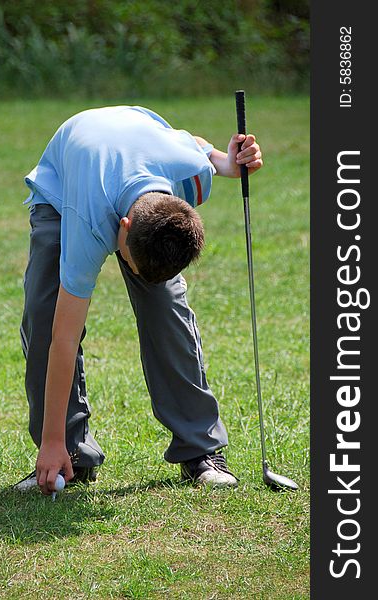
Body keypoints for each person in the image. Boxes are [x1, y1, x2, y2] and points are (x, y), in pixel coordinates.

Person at [14, 105, 263, 495]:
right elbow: (64, 337)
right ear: (122, 229)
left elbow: (196, 146)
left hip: (138, 137)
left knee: (167, 306)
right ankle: (67, 454)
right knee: (45, 316)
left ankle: (201, 450)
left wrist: (228, 162)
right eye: (127, 259)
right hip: (65, 184)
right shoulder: (89, 221)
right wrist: (49, 441)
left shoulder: (190, 176)